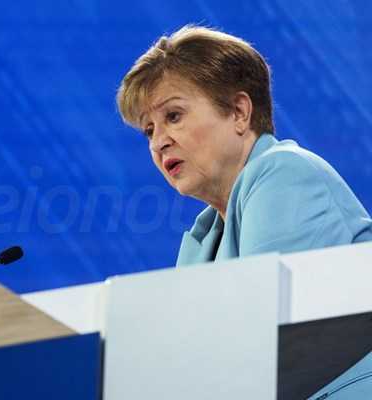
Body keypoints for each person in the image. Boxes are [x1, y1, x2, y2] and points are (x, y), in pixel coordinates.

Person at [116, 25, 372, 266]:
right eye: (149, 130)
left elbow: (265, 299)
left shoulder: (284, 174)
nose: (158, 143)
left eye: (173, 116)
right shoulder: (205, 232)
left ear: (239, 112)